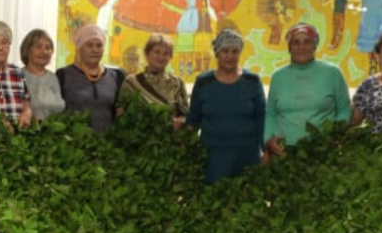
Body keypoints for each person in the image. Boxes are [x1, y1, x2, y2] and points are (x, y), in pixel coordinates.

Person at [186, 29, 265, 183]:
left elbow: (261, 119)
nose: (230, 56)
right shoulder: (203, 82)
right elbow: (194, 118)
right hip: (213, 157)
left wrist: (266, 152)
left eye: (235, 51)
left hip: (246, 156)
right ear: (217, 53)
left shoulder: (253, 81)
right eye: (225, 51)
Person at [264, 23, 351, 156]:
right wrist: (268, 141)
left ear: (314, 46)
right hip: (283, 152)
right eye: (296, 42)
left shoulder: (332, 73)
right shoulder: (278, 77)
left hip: (323, 151)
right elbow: (271, 114)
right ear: (289, 47)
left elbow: (344, 110)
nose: (301, 47)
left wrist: (334, 137)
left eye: (307, 42)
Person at [57, 24, 124, 133]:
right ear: (79, 48)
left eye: (99, 45)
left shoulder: (115, 76)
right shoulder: (63, 75)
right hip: (73, 139)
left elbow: (118, 109)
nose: (95, 50)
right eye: (89, 45)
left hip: (107, 140)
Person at [119, 34, 189, 129]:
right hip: (138, 134)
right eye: (157, 52)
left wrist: (180, 122)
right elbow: (122, 114)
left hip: (169, 135)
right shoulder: (131, 82)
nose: (161, 57)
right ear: (147, 53)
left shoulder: (177, 83)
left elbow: (185, 114)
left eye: (166, 53)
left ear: (171, 57)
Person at [19, 29, 65, 120]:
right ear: (27, 50)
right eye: (38, 47)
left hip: (54, 127)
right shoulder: (18, 76)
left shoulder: (53, 77)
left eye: (47, 48)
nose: (44, 52)